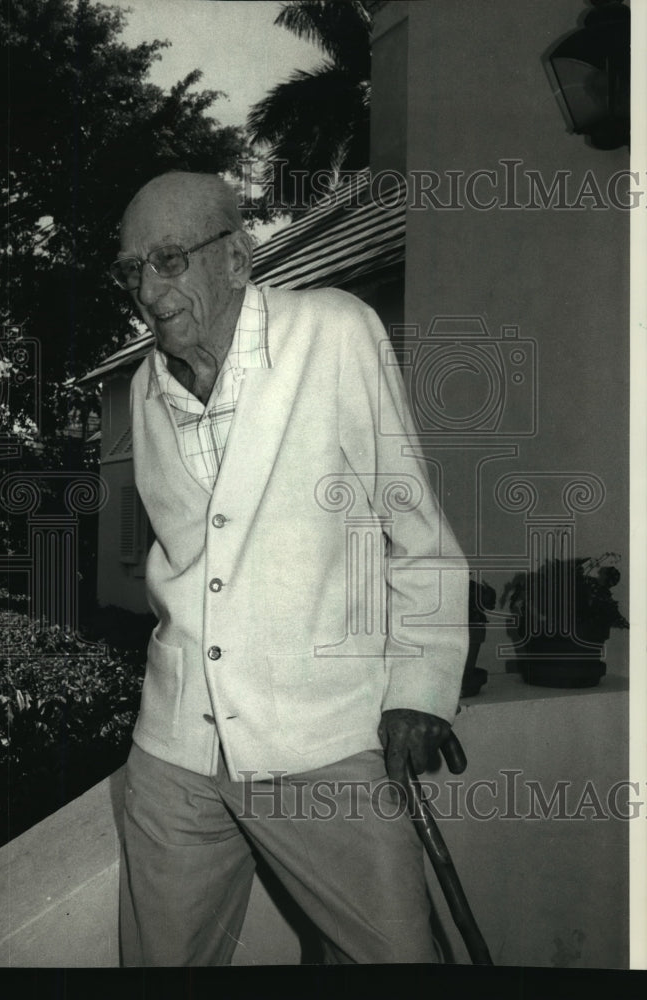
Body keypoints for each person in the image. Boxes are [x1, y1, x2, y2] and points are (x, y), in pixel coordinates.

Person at [112, 171, 469, 966]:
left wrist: (420, 687)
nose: (147, 287)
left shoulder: (333, 332)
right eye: (132, 268)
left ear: (237, 259)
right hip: (176, 749)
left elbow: (414, 529)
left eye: (169, 259)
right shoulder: (142, 387)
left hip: (320, 742)